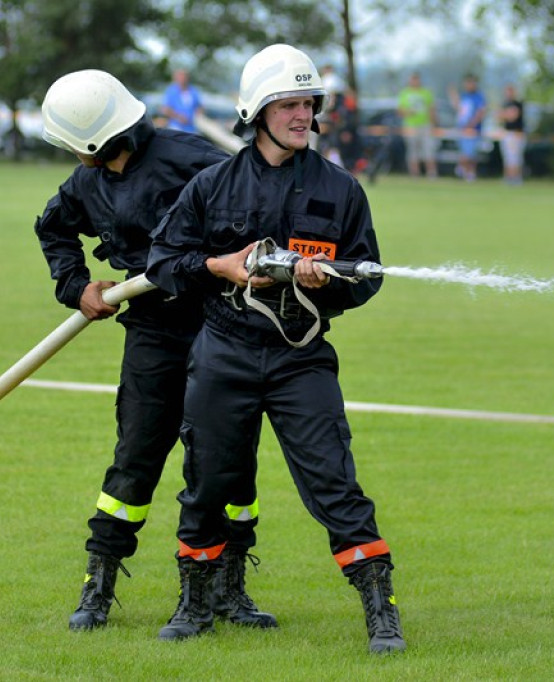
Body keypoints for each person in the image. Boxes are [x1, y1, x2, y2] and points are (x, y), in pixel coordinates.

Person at [146, 44, 406, 653]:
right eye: (287, 103)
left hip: (302, 359)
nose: (300, 114)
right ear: (256, 111)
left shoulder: (342, 190)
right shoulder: (211, 185)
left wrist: (329, 281)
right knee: (207, 481)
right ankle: (196, 601)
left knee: (335, 483)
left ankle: (380, 609)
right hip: (224, 352)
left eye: (308, 103)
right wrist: (221, 265)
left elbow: (368, 276)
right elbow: (163, 262)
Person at [35, 69, 276, 632]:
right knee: (137, 454)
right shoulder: (84, 185)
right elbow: (53, 230)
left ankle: (226, 588)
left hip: (220, 323)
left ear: (90, 141)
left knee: (225, 458)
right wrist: (77, 286)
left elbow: (254, 201)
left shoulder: (188, 157)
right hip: (151, 331)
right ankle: (99, 585)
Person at [397, 72, 437, 178]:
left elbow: (432, 109)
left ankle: (431, 173)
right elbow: (400, 111)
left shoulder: (426, 93)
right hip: (410, 126)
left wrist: (434, 124)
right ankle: (415, 174)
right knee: (412, 151)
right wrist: (408, 112)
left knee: (428, 150)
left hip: (425, 125)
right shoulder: (405, 93)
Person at [448, 74, 487, 181]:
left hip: (472, 130)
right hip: (462, 129)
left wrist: (471, 124)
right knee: (465, 152)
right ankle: (465, 172)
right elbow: (458, 107)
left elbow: (480, 112)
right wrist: (452, 92)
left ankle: (468, 172)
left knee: (470, 154)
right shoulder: (464, 96)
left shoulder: (478, 97)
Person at [498, 84, 526, 185]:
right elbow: (499, 117)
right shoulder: (505, 104)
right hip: (507, 133)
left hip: (516, 134)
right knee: (508, 158)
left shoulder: (518, 104)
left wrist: (504, 114)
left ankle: (517, 178)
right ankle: (508, 178)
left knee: (515, 158)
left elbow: (512, 116)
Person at [161, 68, 203, 133]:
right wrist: (178, 117)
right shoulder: (171, 91)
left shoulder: (194, 91)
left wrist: (198, 114)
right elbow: (165, 109)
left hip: (191, 128)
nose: (182, 79)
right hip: (176, 127)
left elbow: (199, 106)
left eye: (184, 77)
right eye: (180, 77)